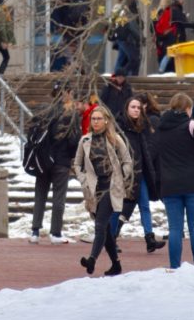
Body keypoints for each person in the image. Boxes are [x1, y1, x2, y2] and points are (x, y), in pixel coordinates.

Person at [156, 93, 194, 268]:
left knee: (175, 229)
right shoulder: (190, 125)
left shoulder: (161, 128)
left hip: (169, 184)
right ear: (187, 109)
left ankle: (174, 267)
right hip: (193, 183)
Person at [73, 104, 133, 276]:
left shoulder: (116, 139)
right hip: (94, 189)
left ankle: (91, 259)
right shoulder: (85, 141)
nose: (96, 122)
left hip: (111, 187)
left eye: (99, 119)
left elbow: (127, 161)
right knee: (105, 229)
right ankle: (116, 264)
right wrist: (82, 178)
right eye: (93, 119)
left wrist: (122, 174)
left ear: (106, 120)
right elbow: (77, 163)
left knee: (100, 224)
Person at [28, 82, 83, 244]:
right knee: (59, 197)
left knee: (40, 195)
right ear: (67, 93)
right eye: (71, 92)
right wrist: (71, 156)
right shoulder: (70, 114)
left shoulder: (43, 111)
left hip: (43, 160)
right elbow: (74, 140)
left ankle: (35, 231)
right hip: (61, 160)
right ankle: (55, 233)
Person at [114, 96, 164, 253]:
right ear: (127, 109)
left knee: (145, 206)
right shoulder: (119, 126)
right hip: (125, 174)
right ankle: (111, 237)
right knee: (120, 208)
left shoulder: (143, 126)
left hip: (141, 173)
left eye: (138, 107)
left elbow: (146, 150)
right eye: (133, 107)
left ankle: (149, 238)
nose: (136, 110)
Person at [50, 0, 90, 72]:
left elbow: (57, 12)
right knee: (76, 52)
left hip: (67, 29)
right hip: (80, 29)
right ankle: (77, 69)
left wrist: (59, 26)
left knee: (69, 53)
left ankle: (72, 69)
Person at [110, 0, 142, 76]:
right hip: (127, 38)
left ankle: (118, 74)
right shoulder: (125, 11)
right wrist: (139, 37)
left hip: (121, 37)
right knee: (133, 59)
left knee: (122, 58)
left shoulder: (118, 11)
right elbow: (132, 26)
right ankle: (120, 74)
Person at [153, 0, 175, 72]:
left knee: (164, 54)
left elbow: (153, 25)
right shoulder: (166, 11)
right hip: (166, 36)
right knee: (168, 54)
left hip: (159, 37)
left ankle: (162, 69)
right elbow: (164, 24)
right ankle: (161, 70)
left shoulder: (157, 11)